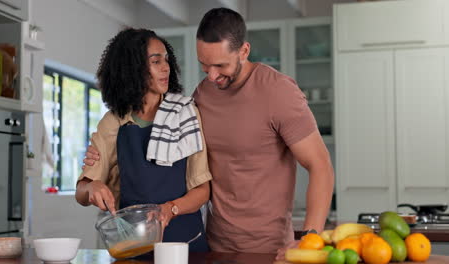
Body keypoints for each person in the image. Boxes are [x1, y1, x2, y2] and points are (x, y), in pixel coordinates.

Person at [84, 8, 334, 260]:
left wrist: (309, 238)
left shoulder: (278, 92)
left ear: (244, 51)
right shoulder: (201, 96)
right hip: (214, 243)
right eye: (204, 65)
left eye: (220, 65)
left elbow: (320, 165)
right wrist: (97, 166)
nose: (212, 76)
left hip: (267, 247)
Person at [75, 28, 211, 252]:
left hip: (184, 244)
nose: (166, 67)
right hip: (134, 244)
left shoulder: (185, 113)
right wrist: (93, 187)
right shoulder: (114, 122)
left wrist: (169, 209)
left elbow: (202, 191)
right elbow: (81, 192)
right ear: (132, 68)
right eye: (156, 61)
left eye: (166, 59)